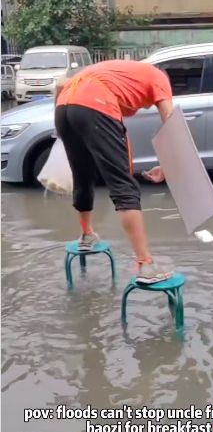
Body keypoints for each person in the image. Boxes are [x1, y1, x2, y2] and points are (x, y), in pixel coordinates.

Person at [55, 59, 172, 284]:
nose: (146, 106)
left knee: (82, 175)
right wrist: (167, 166)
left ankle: (87, 235)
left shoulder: (115, 71)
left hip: (64, 105)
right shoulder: (159, 79)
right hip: (96, 102)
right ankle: (146, 264)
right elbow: (171, 124)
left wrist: (61, 127)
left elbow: (61, 85)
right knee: (123, 184)